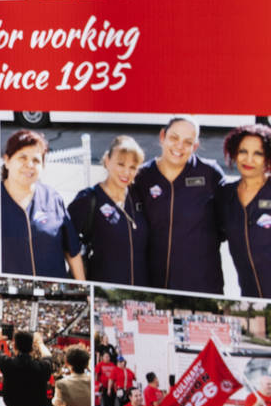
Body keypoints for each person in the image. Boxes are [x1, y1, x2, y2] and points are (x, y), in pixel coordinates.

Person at [134, 116, 226, 293]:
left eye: (187, 142)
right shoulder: (142, 176)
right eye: (174, 138)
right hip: (153, 281)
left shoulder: (210, 173)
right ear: (163, 136)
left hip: (202, 281)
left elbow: (228, 221)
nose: (179, 146)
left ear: (195, 146)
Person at [0, 130, 85, 280]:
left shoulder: (52, 198)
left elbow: (72, 251)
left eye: (36, 160)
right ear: (7, 161)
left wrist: (84, 290)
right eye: (22, 158)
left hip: (54, 296)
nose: (29, 165)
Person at [67, 136, 150, 286]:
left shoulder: (138, 197)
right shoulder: (89, 199)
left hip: (140, 290)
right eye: (121, 164)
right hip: (104, 291)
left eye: (132, 167)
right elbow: (67, 243)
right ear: (107, 161)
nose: (126, 172)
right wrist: (82, 286)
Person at [218, 125, 271, 298]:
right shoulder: (226, 195)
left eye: (258, 153)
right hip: (251, 296)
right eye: (243, 151)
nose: (249, 159)